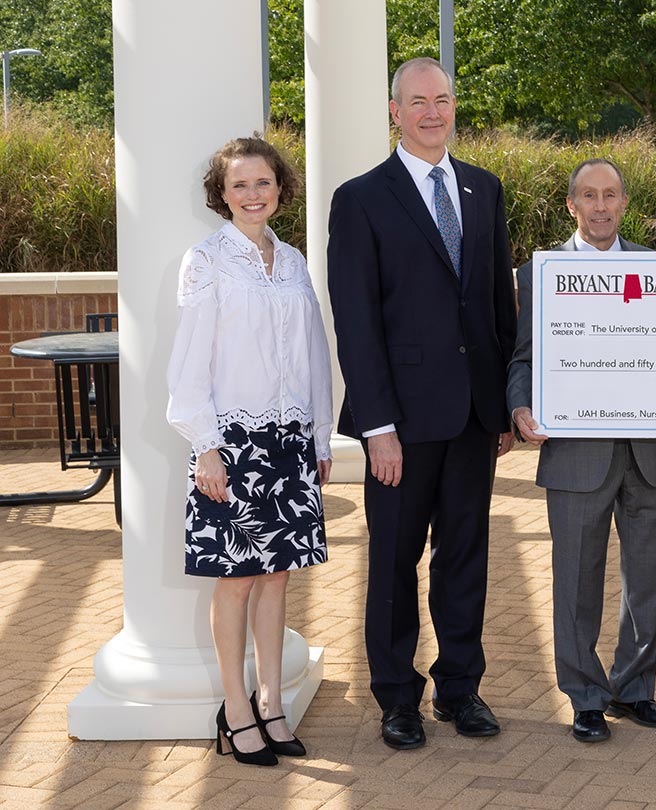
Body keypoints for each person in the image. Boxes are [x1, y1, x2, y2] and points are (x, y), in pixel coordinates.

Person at [328, 56, 518, 751]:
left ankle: (460, 689)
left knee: (465, 557)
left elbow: (500, 304)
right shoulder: (361, 198)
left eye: (442, 99)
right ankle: (396, 698)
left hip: (472, 417)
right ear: (394, 111)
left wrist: (499, 408)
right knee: (395, 562)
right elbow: (356, 320)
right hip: (401, 424)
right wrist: (376, 427)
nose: (432, 112)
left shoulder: (483, 189)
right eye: (417, 101)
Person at [167, 136, 331, 767]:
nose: (252, 194)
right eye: (239, 184)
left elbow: (314, 354)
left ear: (280, 189)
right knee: (236, 581)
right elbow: (191, 361)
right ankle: (235, 711)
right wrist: (205, 447)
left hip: (289, 440)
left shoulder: (292, 261)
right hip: (230, 441)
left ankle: (271, 703)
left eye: (263, 183)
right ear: (222, 193)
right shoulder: (206, 260)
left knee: (276, 578)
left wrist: (316, 436)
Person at [508, 158, 656, 743]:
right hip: (576, 454)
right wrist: (520, 408)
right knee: (576, 579)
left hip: (652, 454)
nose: (602, 206)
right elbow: (523, 359)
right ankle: (584, 696)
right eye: (589, 195)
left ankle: (635, 689)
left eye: (611, 195)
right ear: (571, 206)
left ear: (625, 203)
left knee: (649, 579)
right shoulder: (537, 274)